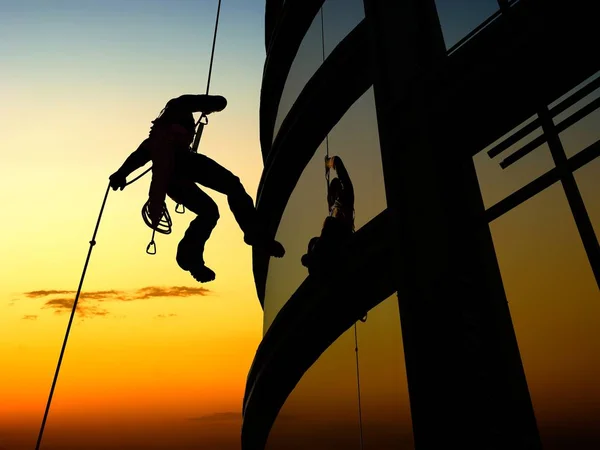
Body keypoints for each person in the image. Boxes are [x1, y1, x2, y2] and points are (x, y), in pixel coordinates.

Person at [109, 94, 285, 283]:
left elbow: (141, 154)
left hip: (179, 172)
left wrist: (121, 174)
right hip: (181, 168)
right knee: (221, 199)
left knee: (216, 204)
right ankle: (203, 253)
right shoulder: (172, 117)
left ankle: (200, 255)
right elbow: (220, 102)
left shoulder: (160, 133)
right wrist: (121, 173)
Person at [301, 155, 354, 276]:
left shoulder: (346, 199)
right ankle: (316, 261)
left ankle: (316, 261)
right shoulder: (333, 208)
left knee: (316, 242)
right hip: (328, 248)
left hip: (337, 245)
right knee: (314, 241)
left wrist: (328, 163)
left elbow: (338, 163)